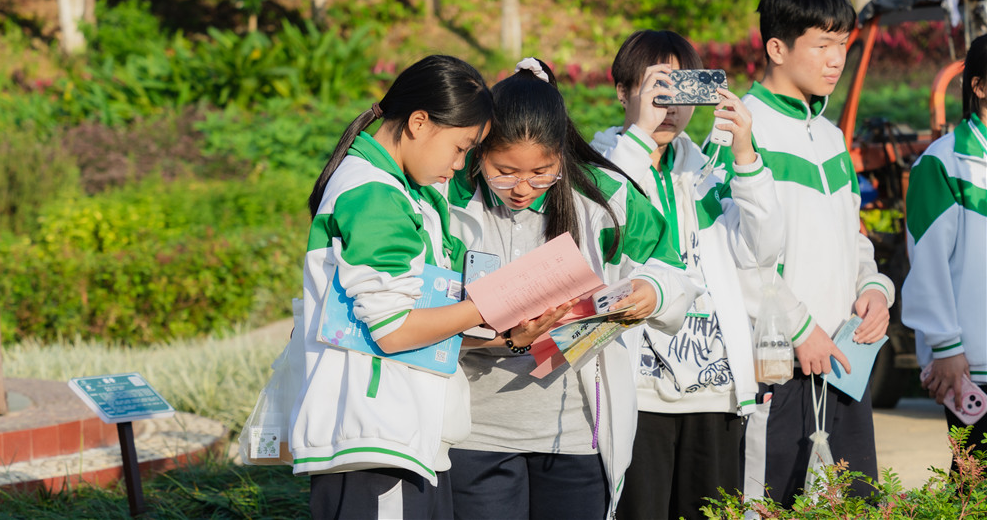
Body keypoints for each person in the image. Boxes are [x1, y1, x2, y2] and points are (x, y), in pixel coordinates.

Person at [446, 57, 698, 519]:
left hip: (574, 435)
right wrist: (506, 338)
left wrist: (651, 291)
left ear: (561, 154)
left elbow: (672, 266)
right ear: (479, 152)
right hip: (474, 435)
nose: (522, 188)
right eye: (504, 171)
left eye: (541, 173)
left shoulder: (602, 195)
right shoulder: (448, 197)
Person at [702, 0, 894, 507]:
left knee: (855, 507)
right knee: (767, 508)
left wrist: (875, 288)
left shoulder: (830, 136)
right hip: (778, 367)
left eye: (843, 45)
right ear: (777, 48)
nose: (836, 60)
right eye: (823, 45)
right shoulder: (739, 128)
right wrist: (800, 328)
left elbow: (852, 237)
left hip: (844, 364)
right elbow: (726, 254)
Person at [289, 55, 495, 520]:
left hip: (400, 438)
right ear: (419, 123)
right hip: (378, 441)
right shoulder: (375, 193)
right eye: (460, 148)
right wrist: (488, 304)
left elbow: (421, 316)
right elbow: (394, 329)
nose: (459, 165)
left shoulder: (401, 190)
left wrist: (502, 332)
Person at [590, 29, 783, 520]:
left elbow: (763, 250)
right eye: (658, 87)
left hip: (716, 391)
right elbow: (602, 232)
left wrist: (745, 155)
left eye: (683, 89)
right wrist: (639, 138)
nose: (671, 105)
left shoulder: (708, 174)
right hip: (638, 394)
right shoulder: (598, 167)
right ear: (623, 92)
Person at [903, 33, 987, 455]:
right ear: (979, 87)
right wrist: (946, 347)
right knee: (976, 482)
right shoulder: (943, 161)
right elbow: (928, 263)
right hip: (974, 363)